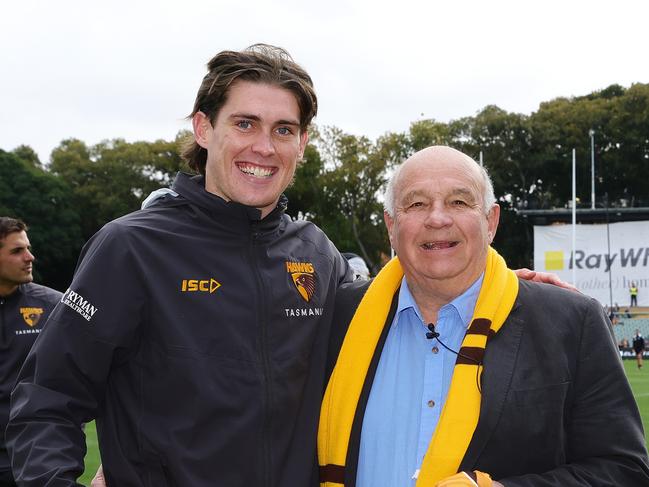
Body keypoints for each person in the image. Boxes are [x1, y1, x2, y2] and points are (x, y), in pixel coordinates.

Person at [6, 44, 352, 486]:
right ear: (204, 128)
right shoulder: (130, 248)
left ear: (302, 143)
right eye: (245, 123)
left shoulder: (319, 255)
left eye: (283, 130)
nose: (264, 147)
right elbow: (47, 397)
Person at [318, 146, 649, 486]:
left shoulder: (570, 322)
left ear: (491, 221)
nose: (437, 218)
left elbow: (624, 471)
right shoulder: (338, 316)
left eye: (459, 202)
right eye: (416, 204)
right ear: (391, 225)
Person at [0, 217, 62, 486]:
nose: (30, 257)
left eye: (27, 247)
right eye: (17, 251)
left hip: (34, 462)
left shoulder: (55, 307)